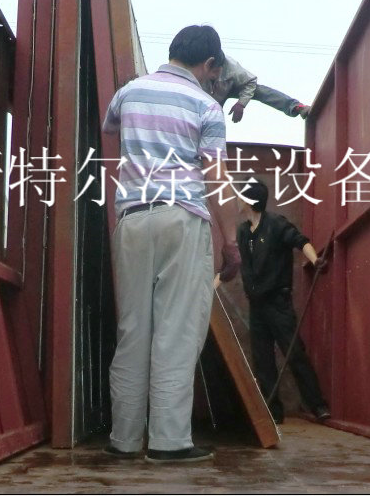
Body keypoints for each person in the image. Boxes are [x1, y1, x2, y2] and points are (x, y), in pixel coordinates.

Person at [101, 25, 242, 463]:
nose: (214, 79)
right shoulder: (206, 106)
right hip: (182, 219)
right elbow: (216, 177)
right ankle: (168, 442)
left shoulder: (129, 92)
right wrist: (231, 242)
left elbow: (111, 128)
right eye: (215, 72)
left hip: (132, 219)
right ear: (209, 64)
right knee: (176, 333)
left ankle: (124, 439)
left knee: (133, 331)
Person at [235, 180, 330, 424]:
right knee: (263, 360)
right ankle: (273, 413)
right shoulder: (243, 231)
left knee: (294, 352)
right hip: (256, 305)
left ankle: (318, 405)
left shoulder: (276, 224)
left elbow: (300, 241)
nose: (237, 199)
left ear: (250, 200)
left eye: (240, 196)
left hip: (277, 302)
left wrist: (315, 260)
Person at [203, 55, 312, 123]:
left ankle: (296, 107)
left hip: (227, 86)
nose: (216, 74)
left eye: (218, 70)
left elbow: (251, 82)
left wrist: (241, 104)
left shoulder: (231, 67)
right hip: (204, 95)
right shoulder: (196, 69)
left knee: (259, 90)